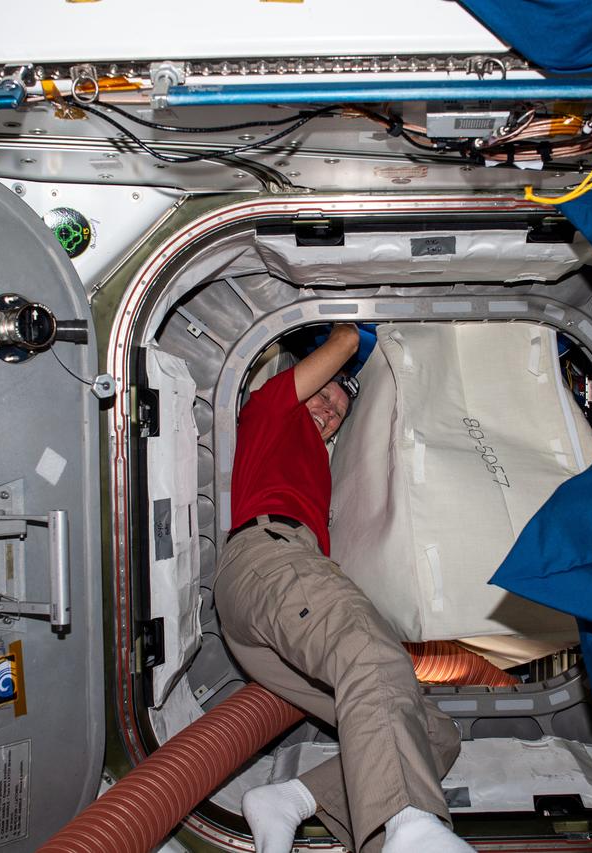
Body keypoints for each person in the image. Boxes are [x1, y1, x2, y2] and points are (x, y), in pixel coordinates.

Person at [214, 323, 473, 853]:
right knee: (370, 655)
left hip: (274, 598)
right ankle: (406, 818)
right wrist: (360, 331)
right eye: (324, 392)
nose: (330, 408)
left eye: (338, 410)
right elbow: (346, 342)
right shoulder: (269, 412)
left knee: (435, 735)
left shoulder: (320, 465)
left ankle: (292, 800)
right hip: (269, 558)